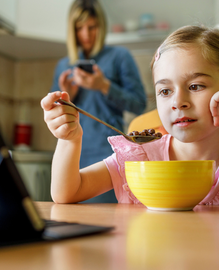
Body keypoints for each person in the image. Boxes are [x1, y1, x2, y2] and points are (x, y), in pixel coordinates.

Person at [42, 25, 219, 205]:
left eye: (195, 86)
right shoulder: (140, 157)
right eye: (165, 91)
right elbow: (67, 193)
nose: (178, 102)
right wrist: (69, 139)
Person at [49, 0, 147, 202]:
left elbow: (139, 104)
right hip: (72, 157)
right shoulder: (63, 66)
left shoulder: (120, 56)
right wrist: (67, 97)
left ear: (101, 27)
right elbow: (54, 119)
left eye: (92, 27)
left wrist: (104, 86)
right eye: (79, 28)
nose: (86, 34)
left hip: (109, 156)